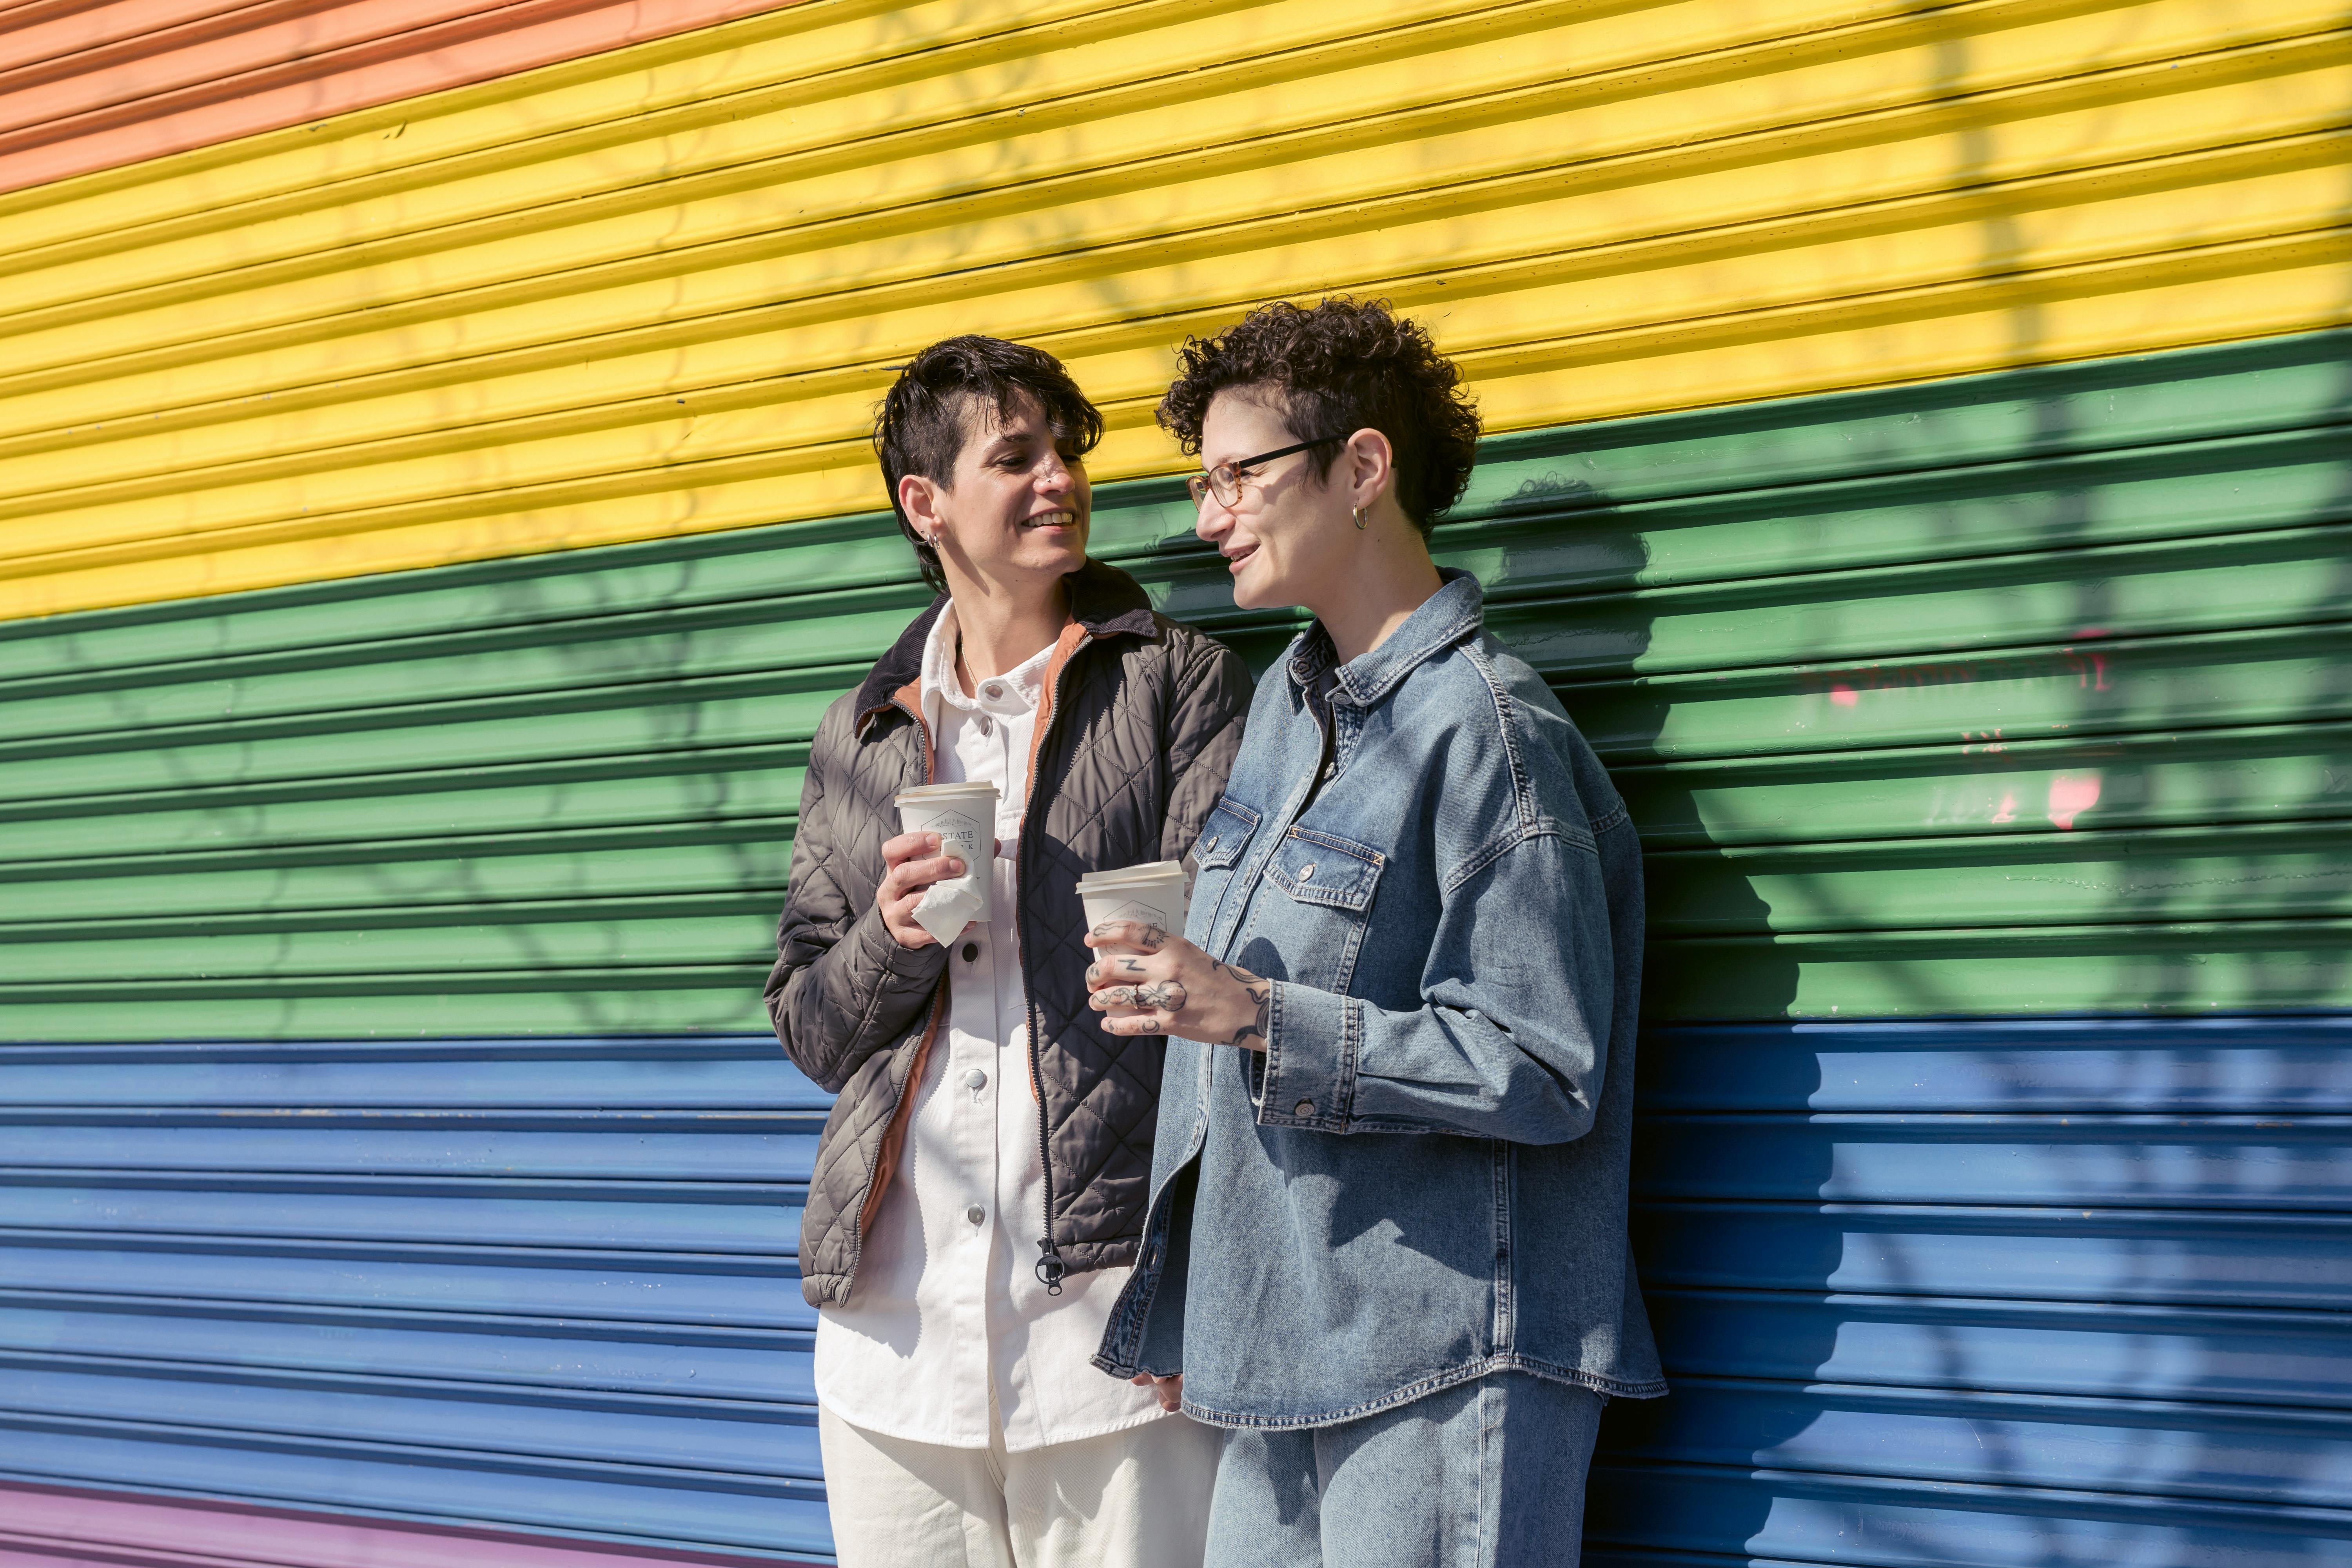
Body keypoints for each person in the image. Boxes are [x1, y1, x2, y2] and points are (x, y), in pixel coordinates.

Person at [1085, 299, 1666, 1567]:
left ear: (1361, 470)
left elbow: (1546, 1065)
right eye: (1201, 481)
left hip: (1445, 1363)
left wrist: (1252, 1011)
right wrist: (1193, 1298)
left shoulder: (1491, 738)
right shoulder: (1287, 722)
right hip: (1281, 1355)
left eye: (1240, 473)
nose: (1208, 514)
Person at [766, 336, 1250, 1568]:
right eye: (1016, 457)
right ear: (924, 504)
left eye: (1069, 454)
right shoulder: (866, 732)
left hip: (1109, 1334)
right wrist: (891, 932)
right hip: (896, 1348)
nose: (1061, 482)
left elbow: (1243, 972)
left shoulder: (1180, 685)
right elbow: (811, 1030)